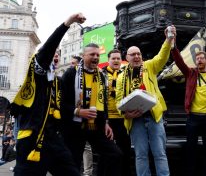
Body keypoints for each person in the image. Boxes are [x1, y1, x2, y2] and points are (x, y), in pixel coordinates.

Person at [10, 13, 85, 176]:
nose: (55, 57)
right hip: (32, 140)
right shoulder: (38, 75)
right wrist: (67, 23)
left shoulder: (57, 82)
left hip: (53, 140)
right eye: (53, 55)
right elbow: (48, 49)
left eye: (57, 55)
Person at [115, 26, 174, 176]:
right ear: (126, 57)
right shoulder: (121, 76)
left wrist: (168, 39)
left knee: (159, 153)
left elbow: (162, 56)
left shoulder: (149, 66)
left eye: (139, 54)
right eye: (133, 54)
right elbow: (118, 100)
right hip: (135, 121)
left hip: (154, 117)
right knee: (141, 155)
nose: (136, 56)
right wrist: (125, 114)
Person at [61, 43, 123, 176]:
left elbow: (103, 101)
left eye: (97, 55)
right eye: (92, 54)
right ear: (83, 56)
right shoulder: (71, 73)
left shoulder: (101, 76)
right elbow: (61, 102)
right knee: (73, 164)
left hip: (96, 126)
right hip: (75, 127)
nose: (95, 57)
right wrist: (77, 111)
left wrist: (106, 122)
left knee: (115, 154)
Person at [171, 45, 206, 175]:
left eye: (201, 58)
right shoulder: (191, 73)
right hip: (193, 118)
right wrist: (173, 48)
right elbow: (179, 62)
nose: (199, 60)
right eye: (197, 59)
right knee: (191, 149)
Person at [102, 49, 132, 176]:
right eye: (113, 58)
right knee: (106, 153)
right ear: (108, 60)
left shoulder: (126, 74)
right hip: (107, 120)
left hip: (123, 118)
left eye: (118, 58)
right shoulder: (101, 74)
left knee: (125, 151)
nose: (116, 61)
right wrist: (104, 120)